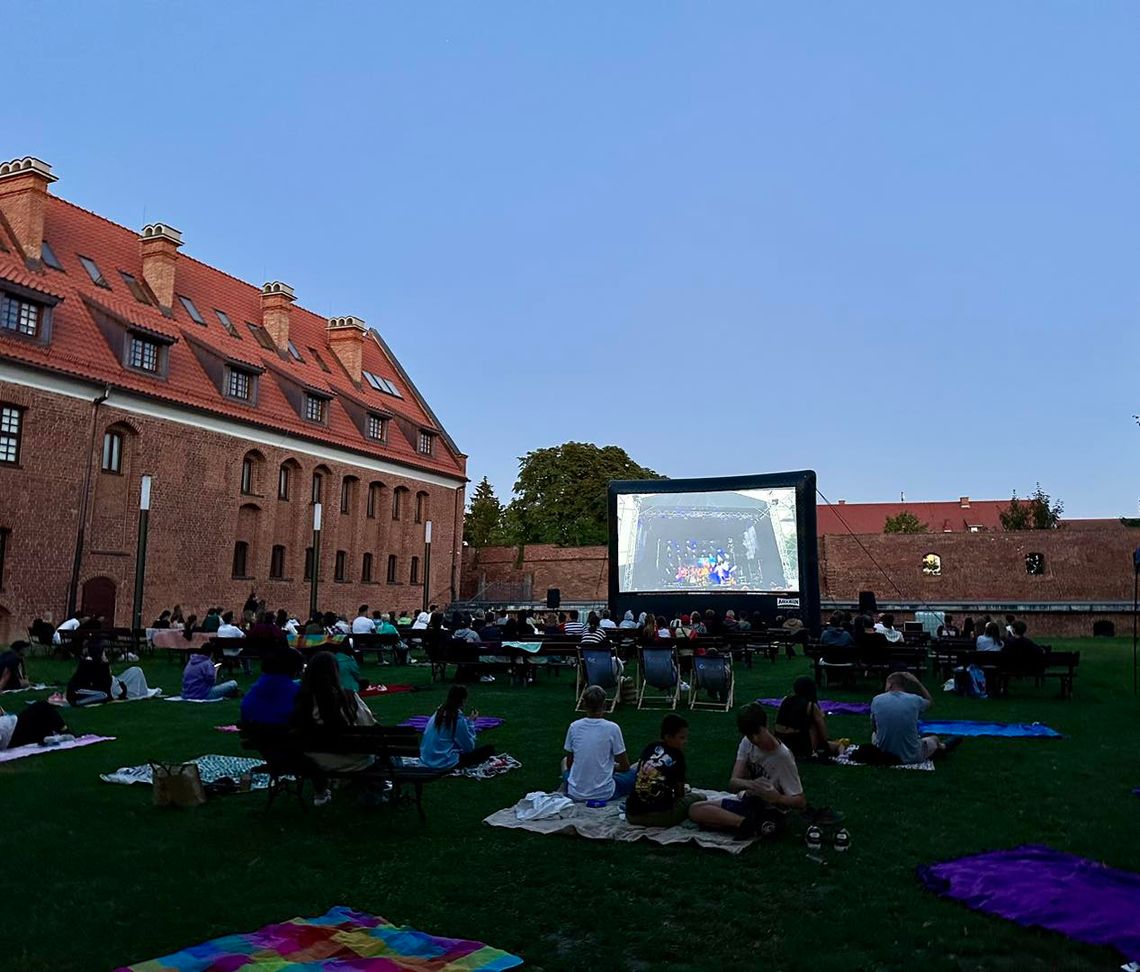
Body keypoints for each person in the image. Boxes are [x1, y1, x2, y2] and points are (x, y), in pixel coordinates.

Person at [688, 704, 805, 837]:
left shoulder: (782, 757)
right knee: (695, 809)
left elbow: (800, 801)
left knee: (706, 816)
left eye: (757, 733)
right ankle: (745, 824)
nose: (754, 739)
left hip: (771, 808)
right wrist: (751, 785)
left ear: (765, 725)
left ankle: (747, 824)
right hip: (749, 802)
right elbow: (733, 783)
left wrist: (777, 797)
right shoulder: (747, 743)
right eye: (749, 735)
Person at [291, 651, 378, 803]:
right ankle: (378, 789)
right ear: (335, 672)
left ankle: (323, 791)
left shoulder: (302, 700)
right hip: (353, 759)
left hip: (315, 759)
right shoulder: (348, 697)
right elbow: (369, 725)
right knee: (386, 751)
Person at [625, 713, 703, 828]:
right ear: (668, 736)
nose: (685, 741)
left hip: (632, 814)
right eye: (682, 738)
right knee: (699, 798)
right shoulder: (677, 757)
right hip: (661, 816)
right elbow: (679, 794)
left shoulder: (650, 747)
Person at [562, 685, 636, 802]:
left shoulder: (574, 727)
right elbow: (625, 766)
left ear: (584, 705)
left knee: (564, 762)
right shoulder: (612, 728)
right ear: (604, 705)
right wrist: (612, 767)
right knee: (633, 774)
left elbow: (570, 763)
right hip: (604, 793)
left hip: (576, 792)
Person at [871, 672, 957, 764]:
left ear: (890, 685)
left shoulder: (876, 700)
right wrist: (918, 683)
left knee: (873, 735)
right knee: (934, 739)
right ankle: (943, 747)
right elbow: (930, 703)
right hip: (911, 755)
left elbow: (875, 728)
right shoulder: (915, 699)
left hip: (884, 752)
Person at [419, 685, 496, 770]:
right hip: (443, 762)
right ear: (463, 700)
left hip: (427, 759)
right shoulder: (456, 718)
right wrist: (471, 723)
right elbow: (469, 747)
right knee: (489, 749)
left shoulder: (438, 713)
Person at [774, 677, 842, 759]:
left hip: (781, 743)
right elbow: (823, 735)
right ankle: (841, 756)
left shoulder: (786, 700)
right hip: (800, 746)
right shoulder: (810, 706)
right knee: (838, 745)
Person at [240, 646, 303, 725]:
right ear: (296, 669)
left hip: (256, 733)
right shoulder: (298, 693)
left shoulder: (253, 692)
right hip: (286, 733)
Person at [0, 700, 68, 751]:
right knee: (42, 706)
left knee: (41, 719)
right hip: (12, 732)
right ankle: (65, 731)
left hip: (14, 726)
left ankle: (49, 735)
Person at [65, 640, 114, 706]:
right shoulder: (91, 665)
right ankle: (79, 703)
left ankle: (80, 701)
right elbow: (105, 684)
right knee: (104, 695)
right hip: (77, 690)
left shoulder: (94, 664)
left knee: (105, 695)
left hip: (81, 690)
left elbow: (103, 685)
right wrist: (107, 667)